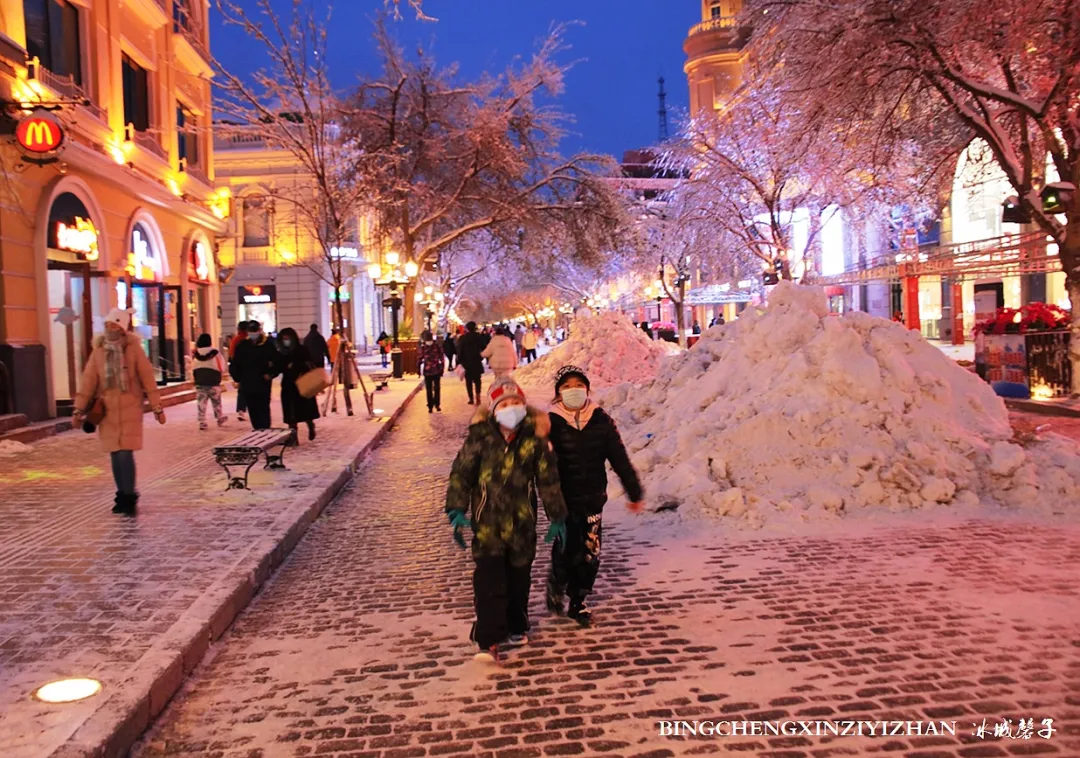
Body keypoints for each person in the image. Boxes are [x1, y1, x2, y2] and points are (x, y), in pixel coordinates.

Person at [445, 377, 568, 661]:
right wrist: (456, 508)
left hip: (523, 525)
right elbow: (461, 474)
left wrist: (557, 516)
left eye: (516, 403)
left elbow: (548, 481)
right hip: (487, 526)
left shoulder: (534, 439)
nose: (511, 408)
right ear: (494, 408)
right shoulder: (480, 438)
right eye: (505, 404)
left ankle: (516, 622)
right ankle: (488, 638)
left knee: (518, 578)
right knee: (489, 581)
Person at [545, 365, 644, 625]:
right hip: (562, 500)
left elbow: (619, 458)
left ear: (587, 389)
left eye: (578, 385)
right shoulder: (549, 422)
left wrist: (634, 491)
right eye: (566, 387)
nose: (573, 391)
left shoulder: (601, 420)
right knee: (566, 548)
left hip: (592, 498)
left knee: (590, 551)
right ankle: (556, 584)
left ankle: (578, 601)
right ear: (558, 393)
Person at [73, 308, 166, 516]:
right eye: (108, 325)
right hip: (107, 410)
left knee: (125, 452)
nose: (111, 329)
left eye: (115, 325)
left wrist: (156, 406)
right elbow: (88, 382)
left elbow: (147, 379)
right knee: (115, 454)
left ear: (123, 329)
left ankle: (129, 495)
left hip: (130, 407)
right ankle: (121, 494)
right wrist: (79, 409)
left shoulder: (133, 349)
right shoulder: (98, 351)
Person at [229, 320, 279, 430]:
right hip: (248, 383)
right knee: (252, 408)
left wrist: (271, 374)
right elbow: (235, 364)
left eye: (254, 331)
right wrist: (238, 378)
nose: (253, 333)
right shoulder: (243, 346)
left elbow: (277, 362)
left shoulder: (268, 345)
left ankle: (265, 430)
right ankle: (257, 429)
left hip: (262, 383)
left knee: (263, 407)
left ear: (259, 330)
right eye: (250, 331)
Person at [276, 327, 320, 442]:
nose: (286, 341)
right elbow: (278, 366)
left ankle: (310, 425)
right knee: (290, 412)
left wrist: (296, 366)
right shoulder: (281, 352)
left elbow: (309, 363)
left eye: (288, 338)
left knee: (305, 410)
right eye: (284, 339)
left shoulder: (301, 350)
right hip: (288, 385)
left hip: (302, 383)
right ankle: (293, 436)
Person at [192, 333, 228, 431]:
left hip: (200, 380)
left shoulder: (195, 353)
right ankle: (219, 417)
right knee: (216, 400)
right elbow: (222, 367)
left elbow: (193, 367)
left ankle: (202, 421)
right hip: (213, 380)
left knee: (201, 402)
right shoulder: (215, 353)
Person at [456, 322, 486, 405]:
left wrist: (459, 360)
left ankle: (471, 398)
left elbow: (459, 350)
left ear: (467, 328)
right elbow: (484, 347)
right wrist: (481, 357)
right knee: (477, 380)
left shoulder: (463, 338)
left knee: (468, 381)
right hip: (476, 361)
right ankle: (478, 396)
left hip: (466, 362)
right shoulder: (479, 337)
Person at [417, 329, 445, 413]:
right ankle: (437, 404)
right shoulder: (437, 346)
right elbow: (442, 358)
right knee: (437, 388)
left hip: (427, 371)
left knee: (429, 389)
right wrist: (442, 368)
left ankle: (430, 406)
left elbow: (419, 359)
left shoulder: (423, 348)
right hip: (436, 370)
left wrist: (418, 370)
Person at [229, 321, 250, 422]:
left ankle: (241, 410)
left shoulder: (235, 339)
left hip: (240, 369)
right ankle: (243, 410)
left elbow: (231, 355)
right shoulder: (246, 340)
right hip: (248, 369)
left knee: (242, 391)